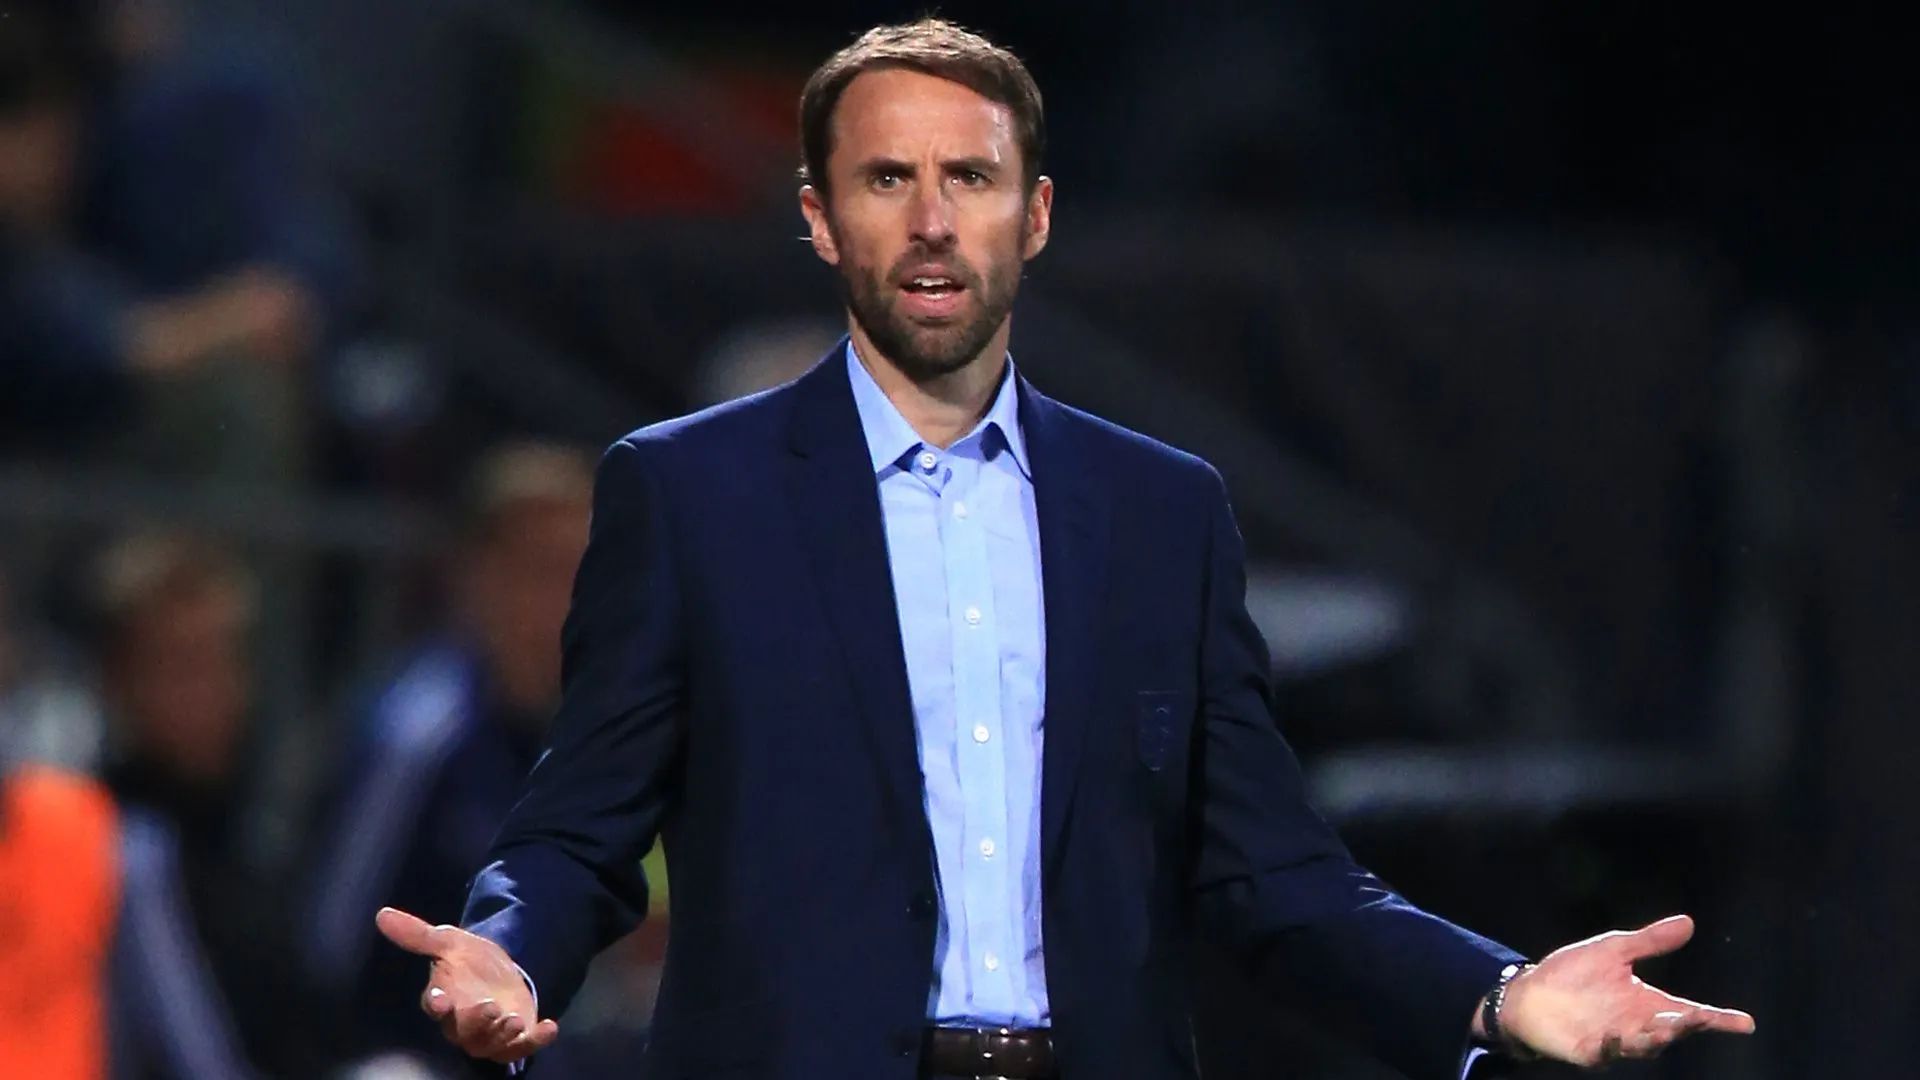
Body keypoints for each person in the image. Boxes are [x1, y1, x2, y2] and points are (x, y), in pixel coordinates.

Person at [371, 19, 1755, 1079]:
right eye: (887, 179)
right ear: (818, 218)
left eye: (969, 178)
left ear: (1032, 215)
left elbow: (1278, 876)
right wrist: (509, 948)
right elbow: (579, 829)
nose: (931, 220)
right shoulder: (688, 493)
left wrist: (1500, 995)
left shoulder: (1162, 513)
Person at [306, 443, 668, 1075]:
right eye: (540, 568)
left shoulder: (612, 728)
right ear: (475, 575)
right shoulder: (415, 735)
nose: (565, 597)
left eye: (582, 569)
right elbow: (327, 947)